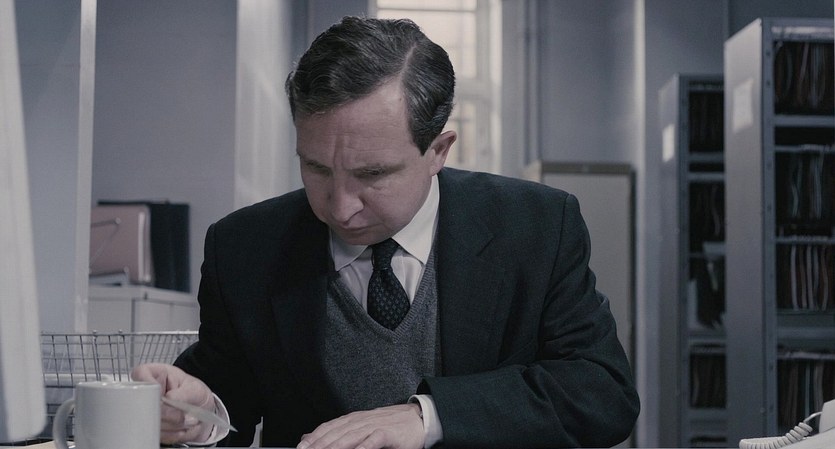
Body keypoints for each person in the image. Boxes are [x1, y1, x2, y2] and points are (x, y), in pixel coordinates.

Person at [132, 15, 640, 449]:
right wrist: (197, 415)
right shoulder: (243, 247)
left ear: (438, 151)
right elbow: (226, 401)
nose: (340, 207)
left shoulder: (536, 226)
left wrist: (429, 416)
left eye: (372, 174)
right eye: (316, 168)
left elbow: (602, 393)